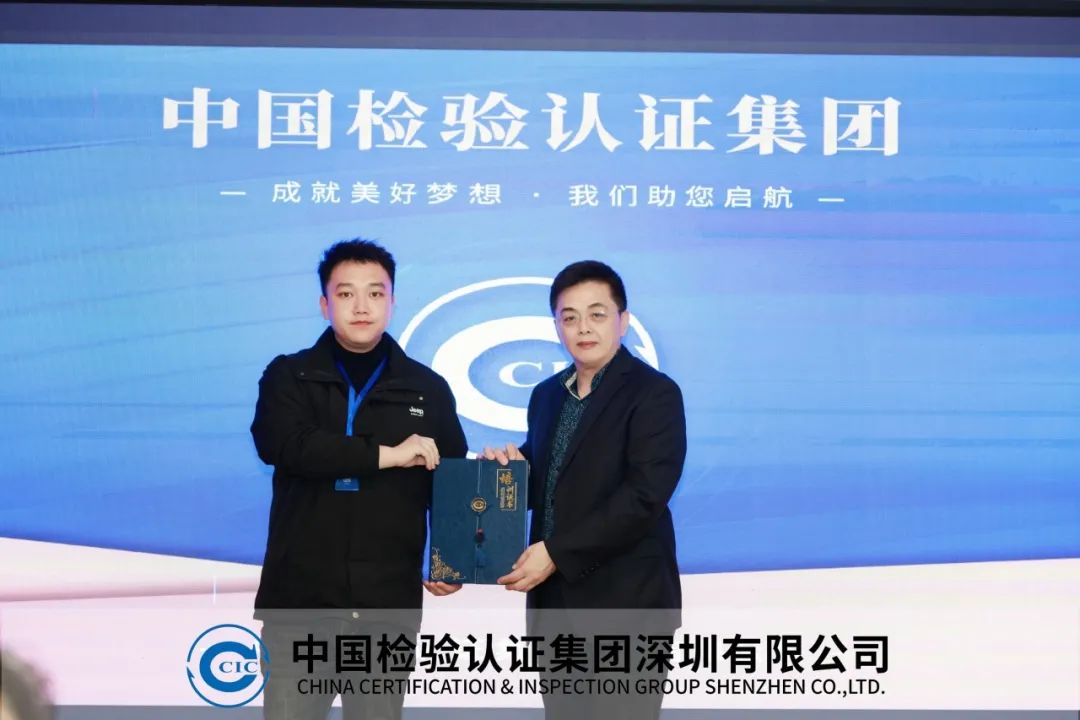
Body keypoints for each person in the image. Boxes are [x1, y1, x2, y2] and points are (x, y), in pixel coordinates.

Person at [250, 239, 466, 720]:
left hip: (386, 607)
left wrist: (452, 558)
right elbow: (287, 445)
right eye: (346, 294)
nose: (362, 307)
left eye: (375, 293)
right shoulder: (289, 376)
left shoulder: (427, 389)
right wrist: (389, 455)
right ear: (324, 304)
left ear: (393, 302)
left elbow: (451, 482)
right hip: (299, 605)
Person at [484, 260, 687, 720]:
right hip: (555, 606)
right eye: (569, 316)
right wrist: (507, 473)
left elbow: (645, 496)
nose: (583, 328)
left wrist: (556, 552)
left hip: (628, 606)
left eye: (597, 314)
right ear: (556, 325)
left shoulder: (654, 394)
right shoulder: (547, 394)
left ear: (623, 320)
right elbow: (549, 475)